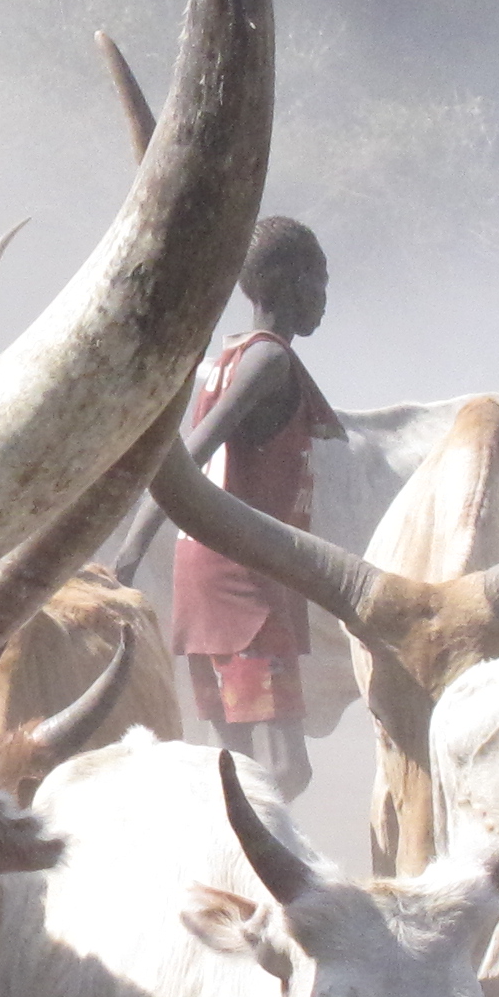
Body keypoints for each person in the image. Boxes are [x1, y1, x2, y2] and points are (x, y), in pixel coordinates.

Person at [167, 218, 345, 797]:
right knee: (284, 768)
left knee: (235, 765)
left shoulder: (226, 359)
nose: (324, 300)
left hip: (207, 575)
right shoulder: (268, 361)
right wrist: (133, 545)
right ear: (292, 285)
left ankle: (222, 877)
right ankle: (261, 879)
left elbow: (183, 467)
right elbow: (189, 460)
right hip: (244, 583)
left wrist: (141, 545)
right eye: (320, 282)